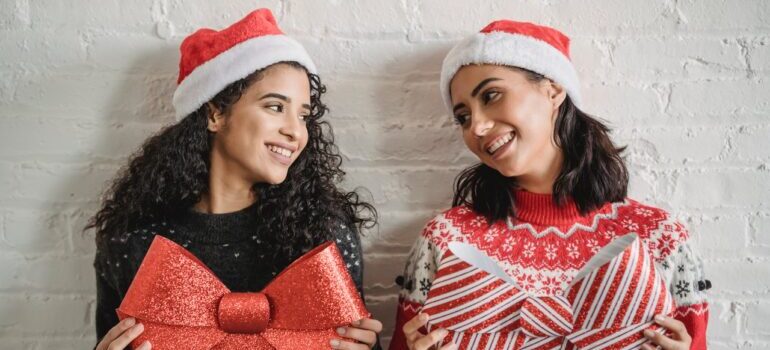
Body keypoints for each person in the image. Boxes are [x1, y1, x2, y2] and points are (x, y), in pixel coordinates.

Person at [389, 20, 709, 350]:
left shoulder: (660, 239)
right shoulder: (446, 241)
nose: (478, 128)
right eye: (463, 117)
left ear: (553, 89)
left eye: (492, 95)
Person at [88, 9, 382, 350]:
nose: (295, 131)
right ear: (215, 113)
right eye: (275, 107)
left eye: (304, 115)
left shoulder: (324, 235)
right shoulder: (131, 242)